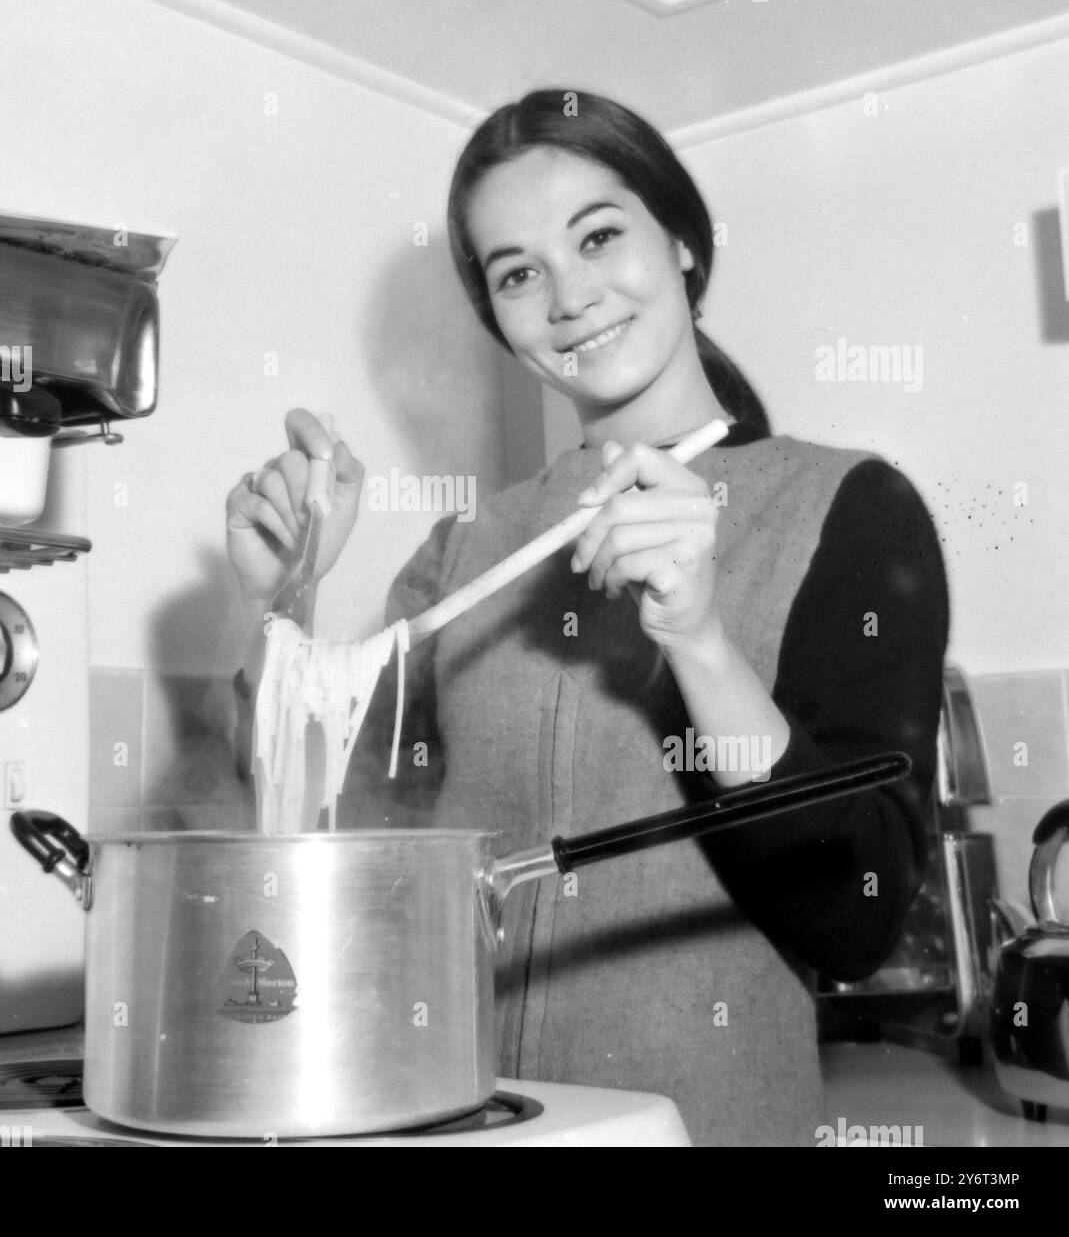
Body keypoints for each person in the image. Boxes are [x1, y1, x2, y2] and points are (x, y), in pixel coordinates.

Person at [225, 89, 949, 1147]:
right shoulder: (465, 551)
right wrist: (283, 597)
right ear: (500, 320)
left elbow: (858, 915)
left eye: (599, 235)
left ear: (685, 245)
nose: (568, 297)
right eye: (518, 273)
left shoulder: (850, 511)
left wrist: (699, 640)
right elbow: (315, 857)